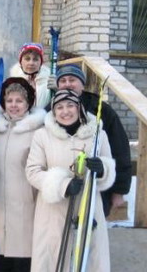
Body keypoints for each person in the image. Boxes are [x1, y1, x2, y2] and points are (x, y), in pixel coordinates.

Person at [26, 89, 116, 272]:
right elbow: (33, 171)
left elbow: (109, 168)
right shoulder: (42, 135)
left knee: (87, 259)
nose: (65, 111)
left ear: (79, 108)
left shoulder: (98, 134)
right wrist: (63, 185)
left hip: (88, 207)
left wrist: (102, 170)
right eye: (59, 107)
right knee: (54, 259)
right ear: (53, 111)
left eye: (70, 105)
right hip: (53, 213)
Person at [49, 64, 132, 216]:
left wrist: (119, 191)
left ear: (82, 83)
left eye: (72, 79)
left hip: (96, 188)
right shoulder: (50, 110)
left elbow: (120, 150)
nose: (67, 84)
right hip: (61, 192)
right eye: (63, 81)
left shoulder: (100, 109)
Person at [0, 77, 45, 272]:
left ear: (28, 103)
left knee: (23, 259)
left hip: (26, 204)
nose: (14, 105)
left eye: (19, 101)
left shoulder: (38, 130)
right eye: (10, 100)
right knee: (1, 257)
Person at [9, 43, 51, 108]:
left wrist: (57, 91)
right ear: (21, 61)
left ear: (41, 63)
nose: (31, 63)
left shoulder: (48, 83)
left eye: (35, 59)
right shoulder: (11, 83)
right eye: (27, 59)